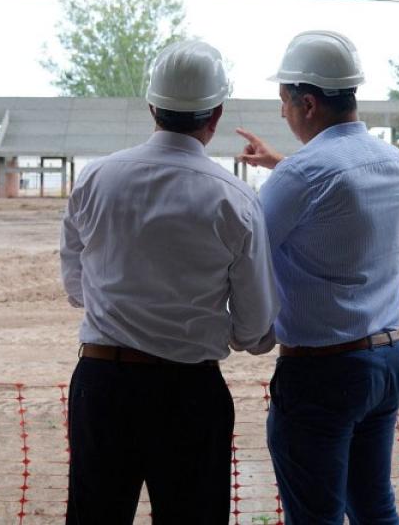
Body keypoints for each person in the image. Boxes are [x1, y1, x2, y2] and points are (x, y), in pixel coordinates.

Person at [60, 39, 278, 525]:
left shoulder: (95, 179)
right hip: (189, 394)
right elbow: (255, 326)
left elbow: (76, 287)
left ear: (152, 107)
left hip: (102, 384)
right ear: (216, 114)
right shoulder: (236, 199)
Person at [237, 30, 399, 524]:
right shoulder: (391, 161)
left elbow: (246, 250)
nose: (283, 113)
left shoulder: (302, 175)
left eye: (284, 101)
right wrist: (279, 164)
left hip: (324, 375)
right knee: (375, 508)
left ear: (308, 103)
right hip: (387, 361)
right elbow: (336, 192)